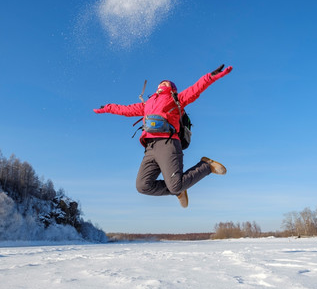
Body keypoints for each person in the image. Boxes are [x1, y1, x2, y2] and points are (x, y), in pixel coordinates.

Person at [93, 64, 233, 208]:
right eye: (161, 82)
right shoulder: (147, 104)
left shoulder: (176, 98)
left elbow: (196, 89)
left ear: (172, 88)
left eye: (167, 83)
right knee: (142, 186)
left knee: (175, 185)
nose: (162, 83)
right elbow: (126, 110)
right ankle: (178, 190)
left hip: (168, 143)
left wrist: (211, 76)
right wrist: (107, 108)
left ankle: (206, 166)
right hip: (150, 148)